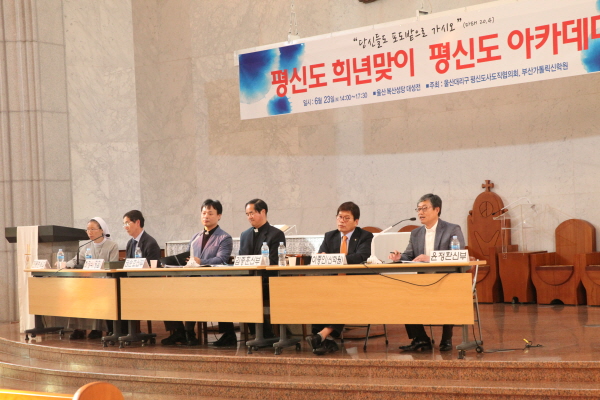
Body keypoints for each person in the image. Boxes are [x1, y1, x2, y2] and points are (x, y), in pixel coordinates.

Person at [389, 193, 465, 352]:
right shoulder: (416, 233)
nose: (420, 213)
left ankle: (446, 338)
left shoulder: (452, 229)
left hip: (446, 279)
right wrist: (399, 257)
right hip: (422, 282)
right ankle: (421, 339)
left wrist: (430, 259)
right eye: (418, 209)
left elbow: (457, 256)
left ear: (437, 209)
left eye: (424, 208)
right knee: (404, 297)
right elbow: (409, 255)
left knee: (449, 295)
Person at [162, 199, 234, 346]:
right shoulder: (196, 237)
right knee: (167, 292)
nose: (206, 216)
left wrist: (201, 261)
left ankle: (190, 332)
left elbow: (222, 259)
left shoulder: (224, 238)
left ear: (219, 216)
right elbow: (189, 258)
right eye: (203, 213)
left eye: (210, 213)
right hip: (192, 279)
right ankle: (180, 332)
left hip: (212, 281)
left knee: (194, 292)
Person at [306, 201, 373, 355]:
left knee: (342, 296)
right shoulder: (330, 236)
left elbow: (361, 256)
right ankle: (323, 338)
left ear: (356, 221)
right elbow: (321, 256)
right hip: (332, 283)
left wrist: (334, 258)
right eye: (339, 217)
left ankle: (322, 336)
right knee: (317, 294)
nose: (342, 221)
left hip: (355, 284)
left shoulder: (365, 236)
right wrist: (322, 256)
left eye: (346, 218)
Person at [63, 217, 119, 340]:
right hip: (89, 282)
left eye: (93, 229)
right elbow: (76, 260)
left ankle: (97, 329)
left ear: (102, 230)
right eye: (87, 229)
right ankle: (79, 329)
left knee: (97, 294)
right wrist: (65, 264)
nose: (89, 232)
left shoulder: (112, 245)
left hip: (106, 283)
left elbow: (113, 265)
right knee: (75, 292)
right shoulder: (86, 246)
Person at [239, 199, 285, 338]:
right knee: (235, 289)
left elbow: (274, 262)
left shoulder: (276, 234)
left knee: (249, 291)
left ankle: (264, 334)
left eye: (252, 213)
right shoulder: (245, 235)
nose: (249, 217)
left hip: (267, 282)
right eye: (247, 214)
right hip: (248, 282)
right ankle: (259, 333)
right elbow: (241, 260)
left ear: (263, 212)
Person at [115, 210, 161, 336]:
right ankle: (121, 331)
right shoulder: (130, 243)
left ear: (137, 222)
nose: (125, 227)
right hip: (131, 284)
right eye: (123, 224)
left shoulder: (150, 242)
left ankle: (130, 331)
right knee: (113, 292)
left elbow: (153, 270)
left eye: (127, 223)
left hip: (147, 286)